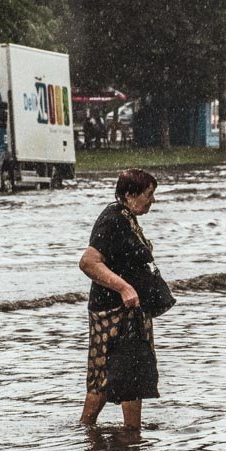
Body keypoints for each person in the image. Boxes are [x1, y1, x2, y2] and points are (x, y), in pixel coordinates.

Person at [79, 168, 160, 430]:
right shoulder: (112, 219)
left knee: (124, 374)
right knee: (110, 374)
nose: (152, 201)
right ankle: (96, 430)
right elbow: (88, 263)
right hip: (111, 312)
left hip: (130, 311)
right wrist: (125, 288)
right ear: (129, 194)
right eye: (149, 195)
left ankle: (124, 434)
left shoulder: (127, 218)